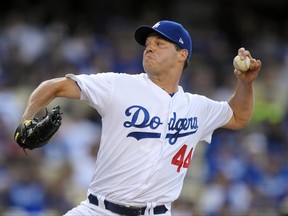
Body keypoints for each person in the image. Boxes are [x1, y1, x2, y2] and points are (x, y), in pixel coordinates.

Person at [18, 20, 261, 216]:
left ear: (181, 54)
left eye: (159, 43)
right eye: (147, 43)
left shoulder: (197, 107)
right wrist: (26, 119)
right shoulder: (119, 85)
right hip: (98, 210)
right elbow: (55, 86)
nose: (149, 47)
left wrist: (245, 83)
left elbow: (239, 117)